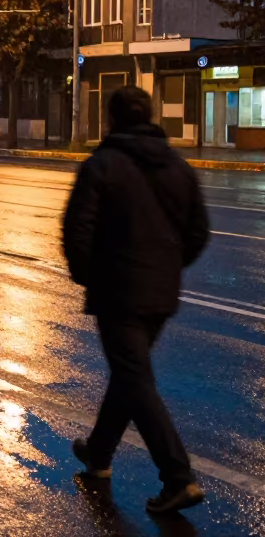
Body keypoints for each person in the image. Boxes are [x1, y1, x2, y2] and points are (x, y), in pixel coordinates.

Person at [62, 85, 209, 515]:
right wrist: (170, 267)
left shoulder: (102, 165)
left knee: (135, 379)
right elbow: (198, 231)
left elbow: (78, 230)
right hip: (161, 293)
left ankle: (178, 477)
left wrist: (91, 276)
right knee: (130, 373)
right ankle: (99, 454)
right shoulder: (179, 167)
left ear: (111, 120)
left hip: (117, 291)